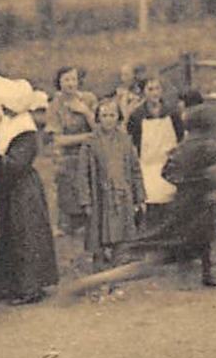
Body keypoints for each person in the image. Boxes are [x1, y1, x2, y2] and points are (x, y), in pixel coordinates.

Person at [0, 75, 59, 304]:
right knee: (9, 234)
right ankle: (9, 285)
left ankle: (29, 287)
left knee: (24, 235)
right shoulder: (8, 123)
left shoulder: (25, 130)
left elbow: (15, 165)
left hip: (22, 187)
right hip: (9, 187)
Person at [78, 97, 146, 271]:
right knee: (98, 231)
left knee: (123, 232)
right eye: (104, 115)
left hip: (122, 194)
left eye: (112, 115)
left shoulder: (125, 140)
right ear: (98, 118)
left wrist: (140, 196)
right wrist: (86, 200)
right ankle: (99, 265)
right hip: (100, 195)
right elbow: (83, 174)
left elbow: (135, 169)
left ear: (118, 117)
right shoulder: (90, 142)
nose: (108, 119)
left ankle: (119, 264)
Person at [47, 66, 98, 236]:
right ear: (59, 83)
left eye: (73, 79)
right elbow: (58, 139)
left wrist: (86, 112)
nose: (70, 84)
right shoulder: (55, 106)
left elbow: (101, 130)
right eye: (66, 80)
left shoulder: (89, 99)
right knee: (66, 188)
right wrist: (86, 137)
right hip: (68, 157)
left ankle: (94, 223)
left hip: (90, 154)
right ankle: (66, 225)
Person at [126, 78, 184, 218]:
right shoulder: (137, 115)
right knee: (151, 201)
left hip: (169, 165)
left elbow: (180, 136)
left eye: (157, 88)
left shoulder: (172, 112)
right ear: (143, 92)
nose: (154, 93)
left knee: (170, 202)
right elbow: (132, 140)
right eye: (150, 89)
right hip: (147, 165)